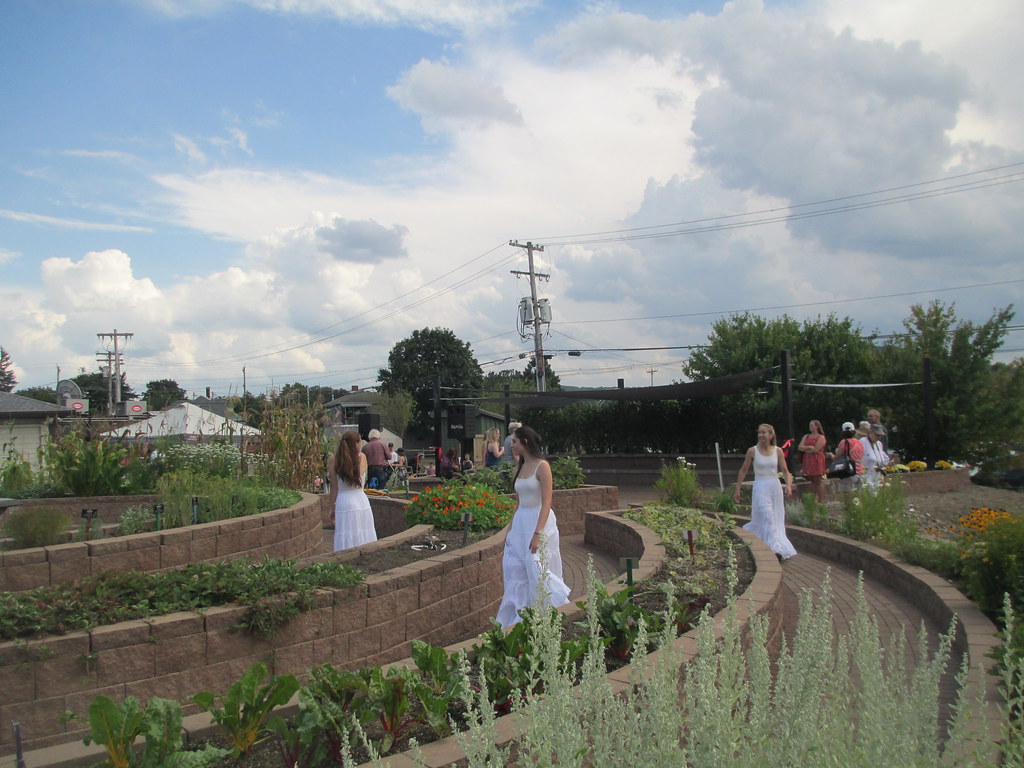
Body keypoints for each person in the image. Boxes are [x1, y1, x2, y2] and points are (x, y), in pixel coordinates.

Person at [496, 425, 571, 628]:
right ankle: (519, 616)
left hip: (539, 522)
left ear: (525, 442)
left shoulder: (542, 466)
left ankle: (549, 612)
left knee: (537, 568)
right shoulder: (518, 467)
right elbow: (519, 502)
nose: (511, 445)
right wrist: (510, 530)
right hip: (521, 522)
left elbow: (546, 502)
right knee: (516, 570)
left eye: (514, 441)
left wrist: (537, 534)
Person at [733, 423, 797, 560]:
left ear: (771, 435)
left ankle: (774, 545)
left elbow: (785, 471)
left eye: (764, 433)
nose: (761, 435)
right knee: (766, 514)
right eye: (759, 432)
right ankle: (774, 549)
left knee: (774, 517)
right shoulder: (752, 451)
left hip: (774, 486)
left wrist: (789, 485)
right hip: (760, 485)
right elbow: (743, 470)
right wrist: (737, 488)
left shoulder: (778, 451)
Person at [328, 430, 377, 551]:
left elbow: (334, 486)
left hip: (343, 500)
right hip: (361, 499)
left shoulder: (333, 460)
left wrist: (331, 507)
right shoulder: (362, 458)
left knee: (345, 532)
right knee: (363, 531)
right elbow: (362, 482)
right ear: (357, 443)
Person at [797, 420, 828, 504]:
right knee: (811, 479)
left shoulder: (821, 437)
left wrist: (808, 449)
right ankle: (814, 499)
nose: (810, 427)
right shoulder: (806, 436)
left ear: (817, 426)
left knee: (818, 480)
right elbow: (800, 447)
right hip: (808, 460)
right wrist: (809, 447)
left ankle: (820, 500)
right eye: (810, 425)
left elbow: (816, 449)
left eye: (812, 425)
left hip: (817, 459)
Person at [829, 421, 864, 492]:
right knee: (858, 497)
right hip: (859, 472)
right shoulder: (859, 442)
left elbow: (836, 458)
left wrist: (831, 455)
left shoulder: (844, 442)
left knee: (847, 497)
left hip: (848, 472)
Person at [858, 422, 888, 490]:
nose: (879, 437)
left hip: (877, 476)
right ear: (870, 433)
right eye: (877, 435)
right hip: (866, 476)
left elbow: (883, 458)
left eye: (880, 435)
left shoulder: (879, 444)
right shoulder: (862, 442)